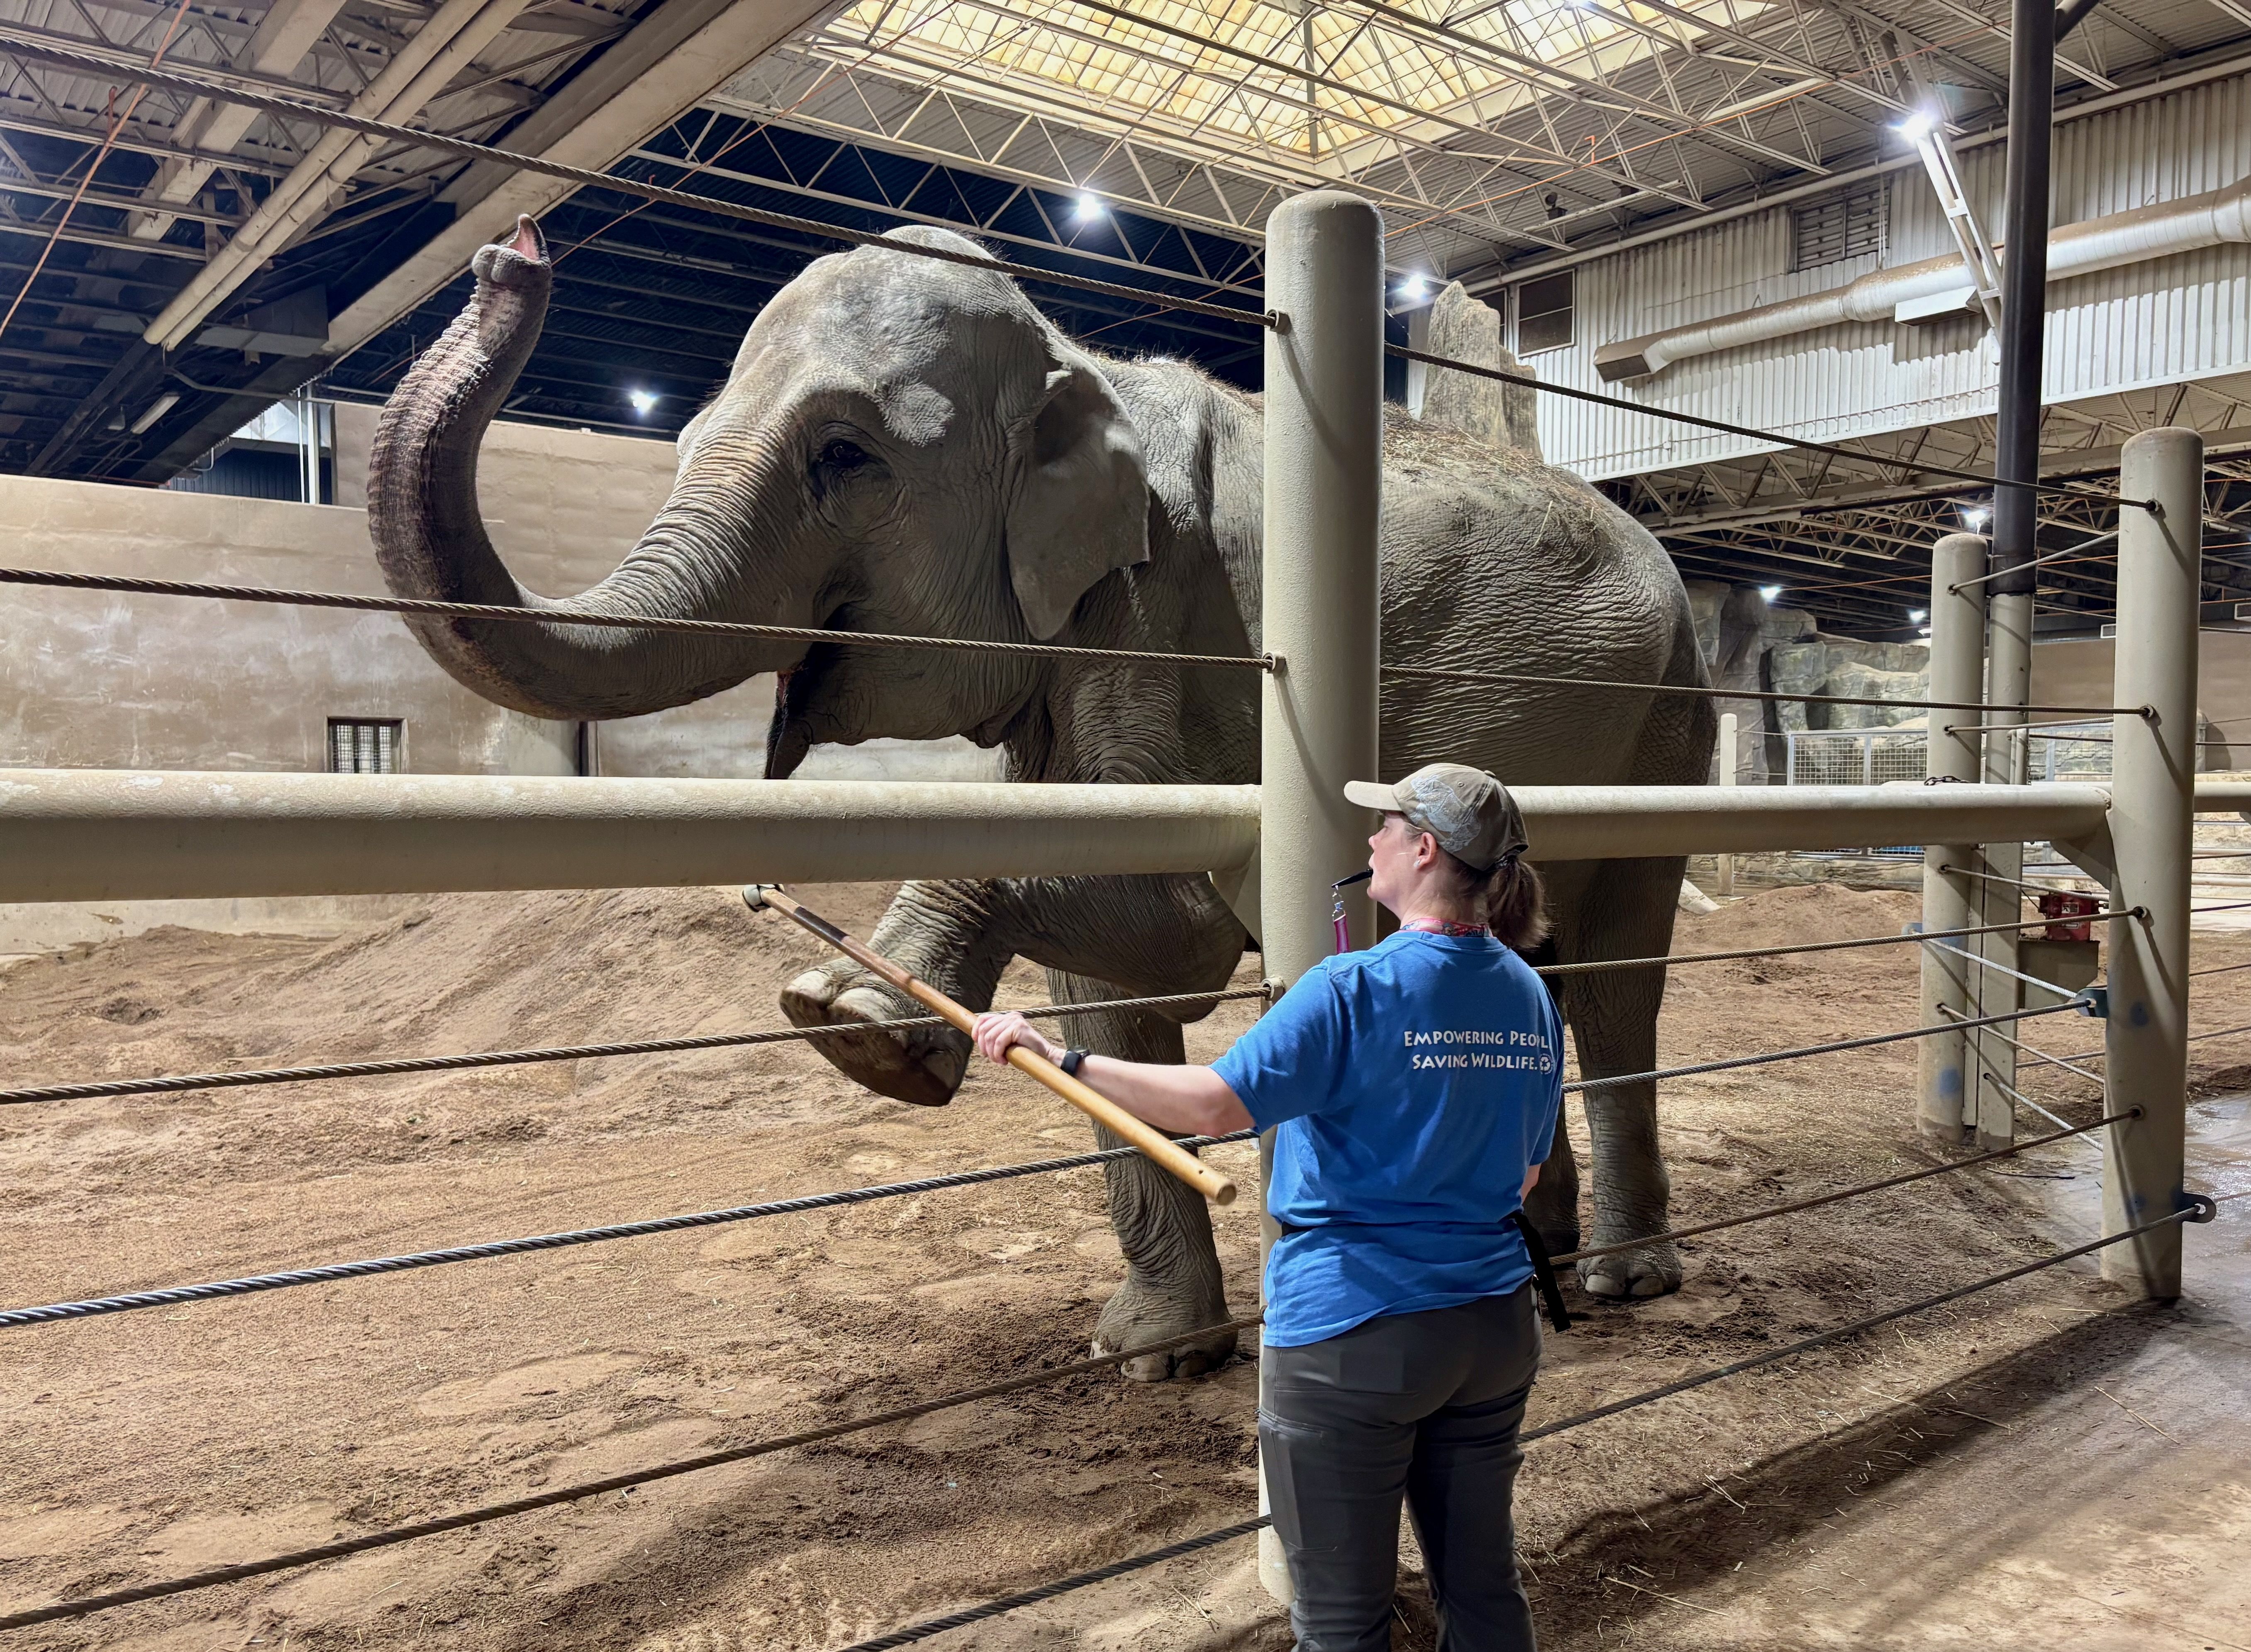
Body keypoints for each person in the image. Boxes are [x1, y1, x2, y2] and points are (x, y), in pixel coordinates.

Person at [971, 762, 1563, 1652]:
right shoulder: (1526, 992)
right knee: (1482, 1591)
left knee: (1340, 1622)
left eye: (1385, 828)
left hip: (1352, 1335)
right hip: (1490, 1323)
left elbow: (1213, 1103)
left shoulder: (1352, 987)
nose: (1369, 842)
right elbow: (1524, 1175)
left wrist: (1062, 1057)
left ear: (1423, 849)